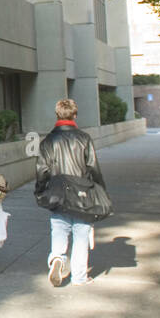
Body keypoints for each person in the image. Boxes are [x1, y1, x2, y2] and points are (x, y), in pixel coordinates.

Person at [35, 99, 107, 286]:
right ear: (75, 115)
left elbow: (42, 170)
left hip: (57, 190)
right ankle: (79, 277)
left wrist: (40, 190)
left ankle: (57, 258)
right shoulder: (84, 138)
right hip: (82, 192)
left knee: (59, 229)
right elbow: (93, 167)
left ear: (57, 115)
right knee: (81, 235)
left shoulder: (48, 141)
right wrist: (100, 190)